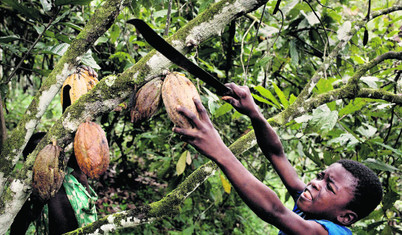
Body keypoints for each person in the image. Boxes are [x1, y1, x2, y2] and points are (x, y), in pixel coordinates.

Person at [173, 83, 383, 235]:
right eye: (321, 176)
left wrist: (220, 152)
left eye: (330, 187)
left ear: (345, 218)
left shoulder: (332, 233)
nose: (315, 183)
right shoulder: (311, 206)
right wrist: (254, 113)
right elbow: (276, 154)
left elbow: (276, 212)